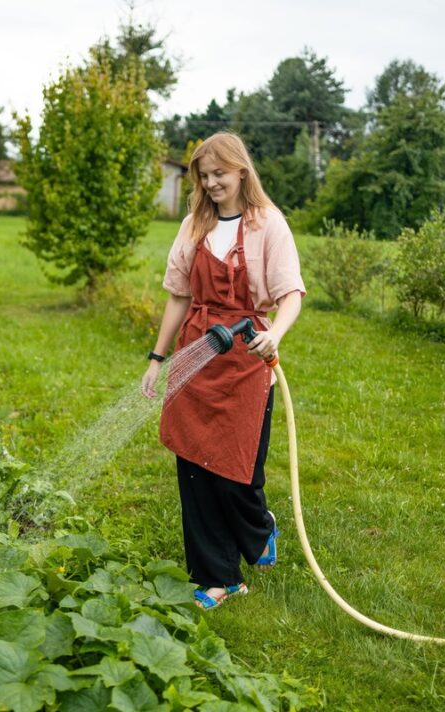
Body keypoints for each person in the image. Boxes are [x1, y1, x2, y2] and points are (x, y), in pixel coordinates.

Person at [141, 132, 305, 610]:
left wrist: (277, 334)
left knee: (236, 471)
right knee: (194, 466)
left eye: (219, 174)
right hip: (197, 351)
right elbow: (179, 295)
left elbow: (290, 292)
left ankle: (259, 527)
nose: (211, 184)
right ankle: (219, 578)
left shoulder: (268, 224)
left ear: (240, 172)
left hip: (246, 355)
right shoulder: (194, 225)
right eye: (203, 176)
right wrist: (157, 358)